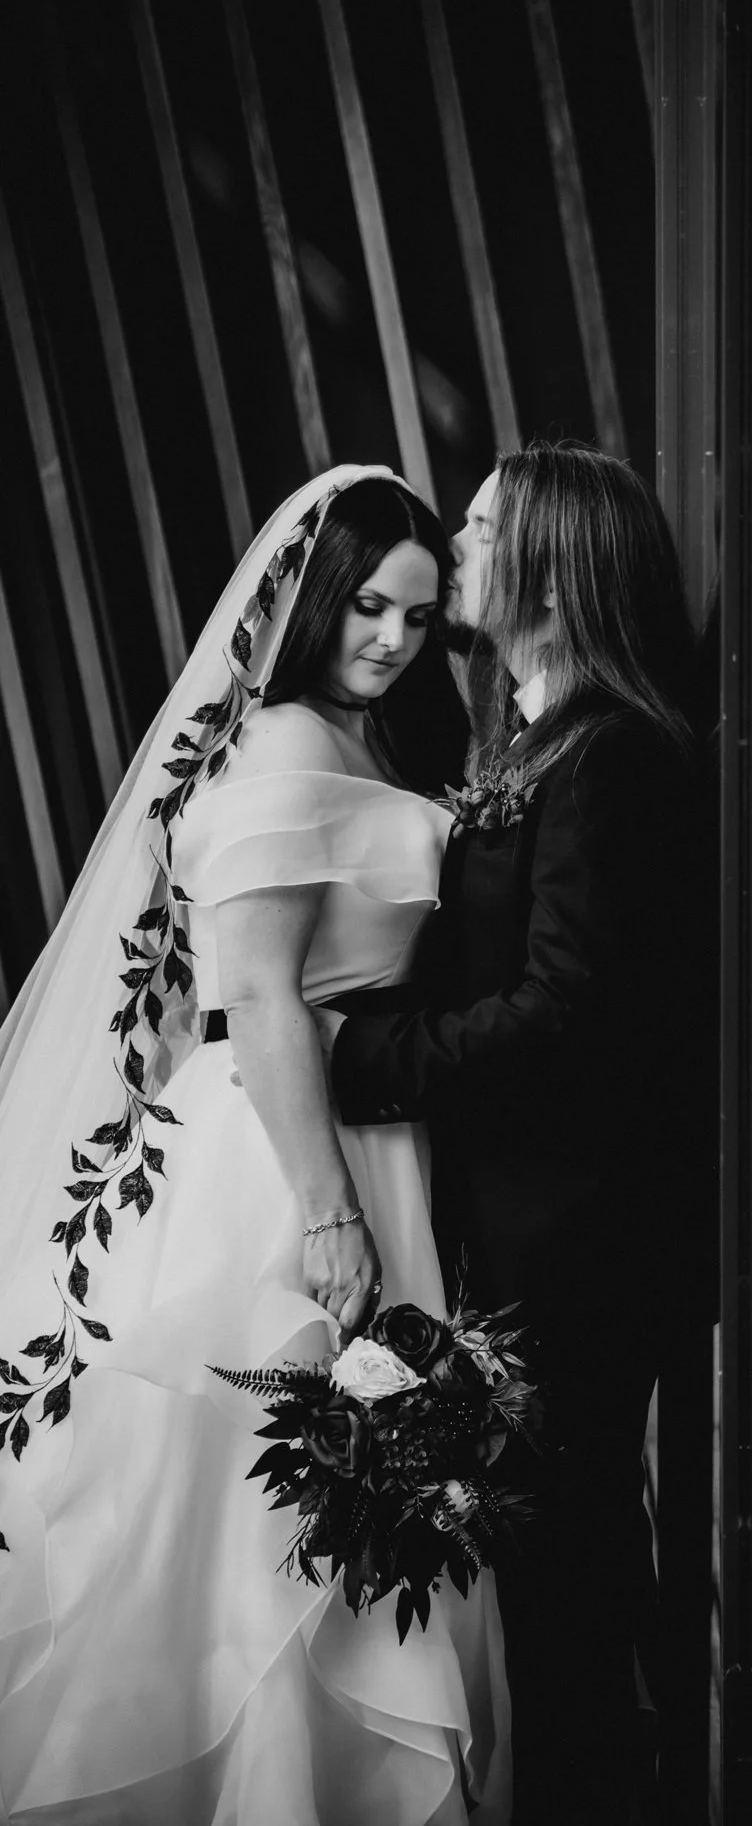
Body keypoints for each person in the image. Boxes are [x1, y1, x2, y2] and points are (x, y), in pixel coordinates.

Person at [0, 467, 510, 1826]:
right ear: (311, 600)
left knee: (355, 1471)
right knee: (261, 1496)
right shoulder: (287, 747)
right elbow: (265, 993)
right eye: (366, 608)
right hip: (286, 1149)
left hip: (360, 1136)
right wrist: (331, 1211)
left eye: (417, 616)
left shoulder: (357, 746)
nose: (392, 640)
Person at [327, 438, 713, 1826]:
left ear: (555, 559)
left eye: (484, 530)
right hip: (524, 1221)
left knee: (573, 1564)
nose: (458, 549)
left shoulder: (612, 755)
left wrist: (373, 1057)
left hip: (582, 1239)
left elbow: (566, 1010)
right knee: (558, 1560)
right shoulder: (535, 740)